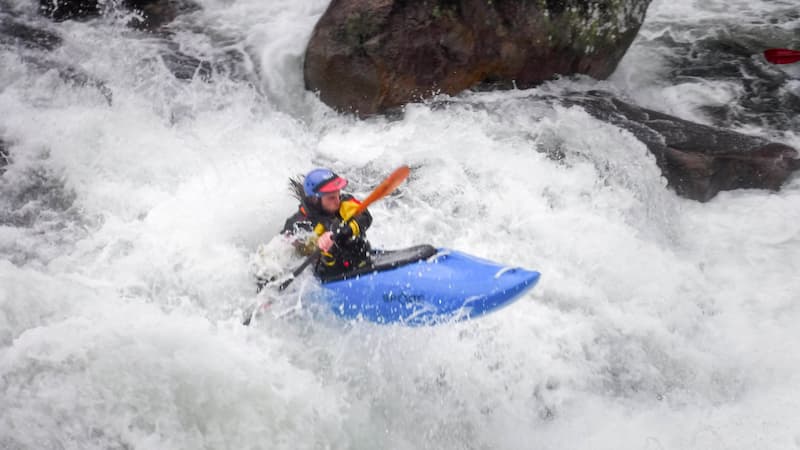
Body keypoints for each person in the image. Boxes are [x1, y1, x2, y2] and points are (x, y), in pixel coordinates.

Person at [282, 168, 373, 279]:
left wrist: (344, 231)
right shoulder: (299, 225)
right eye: (331, 198)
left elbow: (365, 217)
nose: (337, 201)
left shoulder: (344, 203)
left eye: (338, 194)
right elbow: (288, 253)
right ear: (315, 199)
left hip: (361, 262)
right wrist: (316, 244)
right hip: (329, 277)